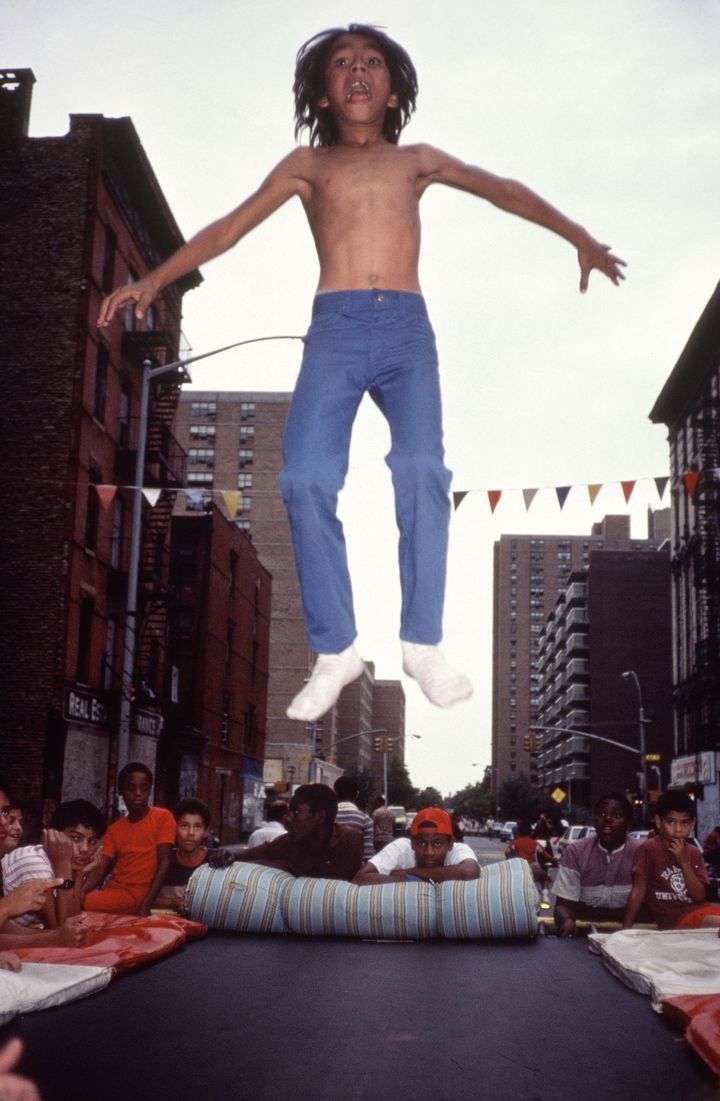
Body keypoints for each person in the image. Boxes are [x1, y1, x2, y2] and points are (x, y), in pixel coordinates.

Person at [97, 24, 625, 725]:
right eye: (342, 63)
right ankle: (334, 648)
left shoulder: (417, 160)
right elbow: (227, 228)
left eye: (372, 62)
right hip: (336, 329)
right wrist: (154, 279)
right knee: (305, 476)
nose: (357, 71)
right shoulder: (308, 166)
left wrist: (579, 237)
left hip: (407, 331)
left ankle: (422, 643)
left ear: (393, 88)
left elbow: (502, 190)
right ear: (324, 91)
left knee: (420, 469)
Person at [84, 762, 176, 916]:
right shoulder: (115, 829)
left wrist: (146, 904)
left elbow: (164, 863)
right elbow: (101, 869)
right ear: (121, 791)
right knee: (75, 899)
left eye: (144, 788)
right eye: (131, 788)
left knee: (80, 902)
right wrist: (80, 892)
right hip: (113, 891)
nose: (138, 793)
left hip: (137, 895)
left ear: (150, 790)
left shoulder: (163, 817)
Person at [1, 799, 106, 928]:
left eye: (92, 841)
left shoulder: (70, 861)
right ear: (51, 835)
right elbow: (62, 929)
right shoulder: (33, 861)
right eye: (75, 838)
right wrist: (63, 864)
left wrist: (79, 874)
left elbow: (74, 919)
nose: (84, 848)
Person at [624, 792, 720, 930]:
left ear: (692, 824)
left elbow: (699, 897)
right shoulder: (648, 849)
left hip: (700, 912)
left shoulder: (694, 852)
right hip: (675, 920)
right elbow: (638, 891)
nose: (678, 829)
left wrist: (684, 863)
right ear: (658, 822)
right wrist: (625, 930)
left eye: (684, 823)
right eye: (671, 822)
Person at [553, 794, 640, 937]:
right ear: (594, 820)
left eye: (616, 815)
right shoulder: (576, 852)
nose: (607, 819)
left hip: (630, 936)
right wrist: (567, 920)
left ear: (628, 825)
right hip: (582, 936)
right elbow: (562, 905)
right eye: (601, 814)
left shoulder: (642, 853)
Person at [242, 784, 363, 880]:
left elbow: (338, 888)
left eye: (296, 812)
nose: (287, 818)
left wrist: (289, 868)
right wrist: (230, 855)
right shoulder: (292, 839)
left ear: (320, 816)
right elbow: (258, 852)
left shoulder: (349, 839)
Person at [353, 806, 479, 884]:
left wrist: (409, 872)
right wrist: (406, 881)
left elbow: (470, 872)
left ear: (450, 843)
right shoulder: (401, 848)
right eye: (421, 843)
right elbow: (360, 877)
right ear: (412, 843)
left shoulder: (458, 850)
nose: (429, 852)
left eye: (437, 843)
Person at [505, 820, 556, 905]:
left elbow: (507, 852)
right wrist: (555, 861)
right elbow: (547, 856)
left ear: (518, 832)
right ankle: (545, 896)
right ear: (531, 833)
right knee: (545, 879)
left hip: (520, 867)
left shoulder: (515, 842)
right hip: (533, 866)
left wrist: (509, 859)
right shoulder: (534, 843)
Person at [333, 776, 374, 861]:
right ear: (357, 794)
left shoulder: (326, 817)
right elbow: (367, 855)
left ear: (335, 793)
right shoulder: (365, 820)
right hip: (355, 870)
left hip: (327, 871)